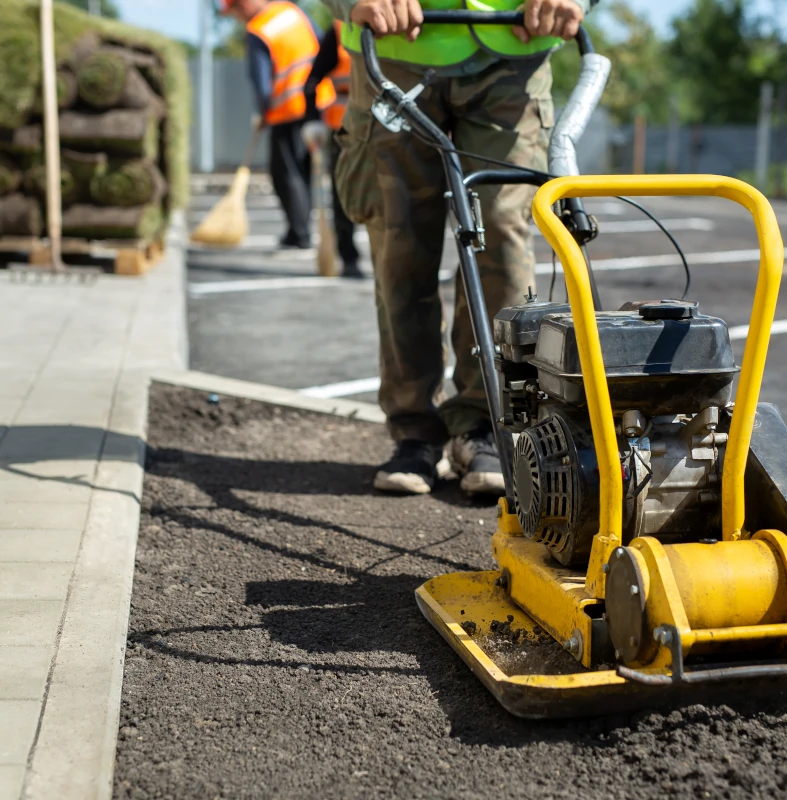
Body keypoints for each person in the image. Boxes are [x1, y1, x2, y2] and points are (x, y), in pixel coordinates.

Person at [324, 0, 591, 495]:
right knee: (399, 245)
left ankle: (487, 425)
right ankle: (414, 432)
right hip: (394, 45)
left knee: (503, 235)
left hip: (515, 45)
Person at [220, 0, 336, 250]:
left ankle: (299, 233)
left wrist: (263, 111)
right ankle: (305, 231)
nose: (237, 18)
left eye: (235, 12)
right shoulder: (291, 11)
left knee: (286, 173)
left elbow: (260, 80)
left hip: (287, 109)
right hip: (319, 102)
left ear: (244, 6)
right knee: (307, 169)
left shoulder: (258, 29)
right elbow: (322, 43)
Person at [304, 22, 362, 278]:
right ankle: (348, 256)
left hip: (388, 125)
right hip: (343, 127)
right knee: (344, 194)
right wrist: (312, 120)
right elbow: (311, 82)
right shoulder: (340, 30)